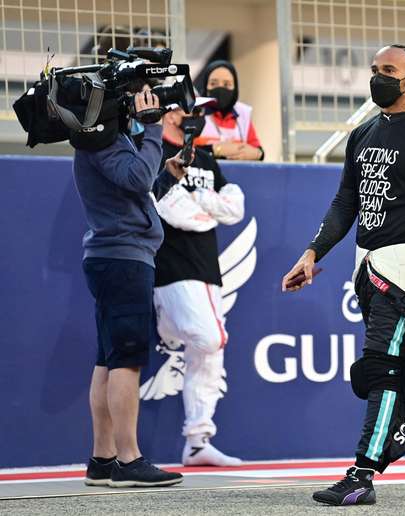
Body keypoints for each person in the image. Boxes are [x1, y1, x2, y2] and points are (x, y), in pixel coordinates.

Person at [282, 44, 405, 506]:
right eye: (374, 70)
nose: (378, 77)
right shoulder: (363, 134)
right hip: (368, 268)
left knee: (383, 370)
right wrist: (312, 252)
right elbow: (344, 204)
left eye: (388, 70)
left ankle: (362, 474)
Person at [75, 89, 184, 488]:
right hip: (123, 259)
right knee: (127, 360)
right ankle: (128, 460)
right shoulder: (101, 135)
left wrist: (165, 176)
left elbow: (131, 187)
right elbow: (136, 178)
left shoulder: (100, 137)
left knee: (109, 358)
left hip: (115, 256)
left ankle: (103, 459)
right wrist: (154, 129)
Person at [152, 101, 246, 466]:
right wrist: (208, 209)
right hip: (171, 267)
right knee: (210, 339)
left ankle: (197, 440)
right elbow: (171, 212)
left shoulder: (204, 158)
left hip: (208, 271)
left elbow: (235, 206)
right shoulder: (154, 152)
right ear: (165, 113)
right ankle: (167, 327)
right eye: (180, 108)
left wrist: (199, 199)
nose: (188, 115)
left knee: (208, 350)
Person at [195, 60, 265, 161]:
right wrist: (216, 150)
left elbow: (258, 151)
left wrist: (257, 154)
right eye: (213, 83)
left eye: (227, 84)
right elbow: (182, 151)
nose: (220, 88)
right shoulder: (195, 112)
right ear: (205, 85)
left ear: (235, 88)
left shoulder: (242, 113)